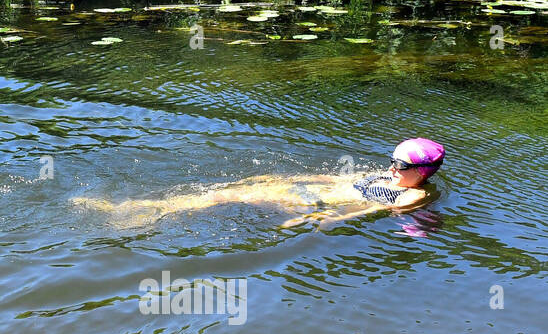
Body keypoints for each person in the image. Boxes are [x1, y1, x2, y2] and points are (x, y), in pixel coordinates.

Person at [73, 138, 445, 229]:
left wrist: (321, 220)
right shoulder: (389, 176)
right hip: (304, 191)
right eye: (393, 160)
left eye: (401, 164)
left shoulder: (412, 195)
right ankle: (148, 210)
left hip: (308, 205)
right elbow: (340, 179)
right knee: (226, 191)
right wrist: (295, 177)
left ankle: (141, 213)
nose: (392, 166)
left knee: (222, 197)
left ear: (423, 172)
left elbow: (365, 207)